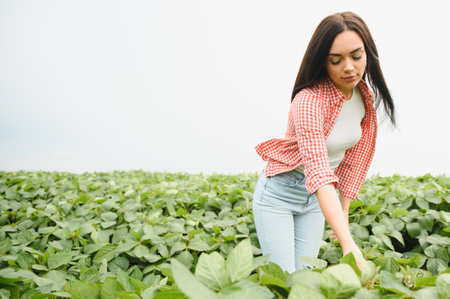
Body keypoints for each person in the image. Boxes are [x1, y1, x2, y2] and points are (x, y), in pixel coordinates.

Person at [252, 11, 396, 273]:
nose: (349, 67)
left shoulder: (364, 97)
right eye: (336, 60)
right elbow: (319, 170)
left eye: (356, 56)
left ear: (368, 53)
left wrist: (342, 216)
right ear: (322, 62)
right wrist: (347, 242)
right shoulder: (308, 102)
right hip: (280, 196)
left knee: (305, 278)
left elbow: (353, 161)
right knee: (283, 280)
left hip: (317, 201)